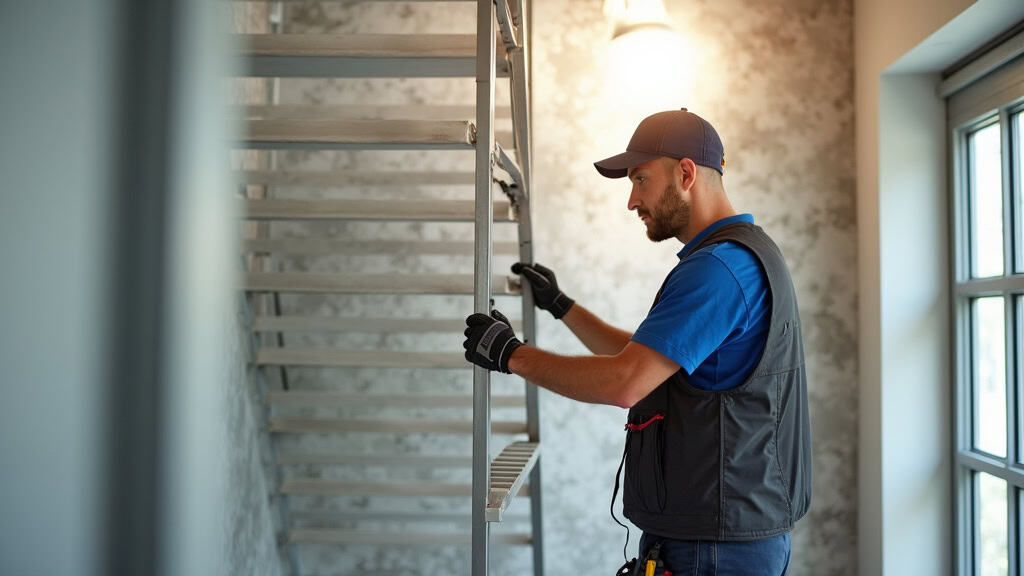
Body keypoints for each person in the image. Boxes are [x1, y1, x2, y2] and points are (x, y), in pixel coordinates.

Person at [463, 108, 811, 576]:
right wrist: (562, 305)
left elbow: (626, 382)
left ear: (685, 173)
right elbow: (647, 359)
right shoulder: (741, 256)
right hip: (723, 536)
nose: (631, 201)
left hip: (714, 548)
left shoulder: (719, 269)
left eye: (640, 179)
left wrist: (512, 355)